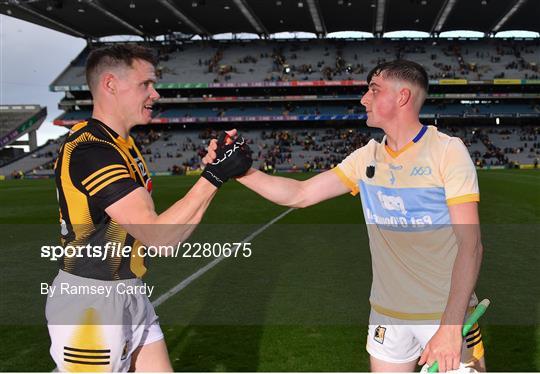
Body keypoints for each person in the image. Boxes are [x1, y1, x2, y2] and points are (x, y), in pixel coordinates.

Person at [217, 60, 485, 372]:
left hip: (445, 314)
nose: (363, 99)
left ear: (402, 97)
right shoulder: (366, 157)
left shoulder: (447, 151)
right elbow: (300, 195)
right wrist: (238, 171)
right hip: (387, 315)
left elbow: (471, 245)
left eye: (373, 90)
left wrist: (451, 328)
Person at [47, 44, 251, 372]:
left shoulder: (120, 145)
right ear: (110, 84)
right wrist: (214, 175)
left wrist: (216, 174)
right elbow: (156, 236)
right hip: (92, 300)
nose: (155, 94)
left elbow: (167, 236)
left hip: (126, 289)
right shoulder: (91, 149)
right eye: (146, 84)